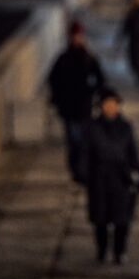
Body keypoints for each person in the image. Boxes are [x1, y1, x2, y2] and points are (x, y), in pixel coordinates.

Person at [82, 88, 139, 264]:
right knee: (100, 218)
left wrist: (138, 174)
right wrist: (84, 175)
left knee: (122, 218)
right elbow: (85, 153)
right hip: (99, 179)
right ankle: (101, 250)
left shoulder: (125, 127)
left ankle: (119, 251)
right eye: (107, 104)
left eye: (113, 104)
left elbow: (133, 153)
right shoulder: (92, 127)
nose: (110, 107)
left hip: (120, 178)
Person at [48, 22, 106, 181]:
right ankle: (76, 170)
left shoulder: (88, 58)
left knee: (83, 141)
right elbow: (53, 80)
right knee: (73, 141)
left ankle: (81, 171)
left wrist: (94, 94)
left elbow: (100, 79)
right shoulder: (63, 59)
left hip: (83, 107)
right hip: (68, 108)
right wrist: (57, 98)